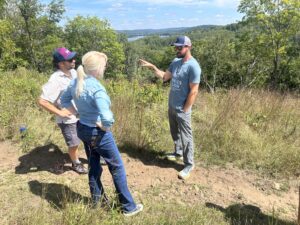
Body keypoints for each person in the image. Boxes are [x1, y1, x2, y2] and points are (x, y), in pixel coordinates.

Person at [60, 51, 143, 216]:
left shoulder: (77, 81)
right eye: (104, 65)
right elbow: (107, 117)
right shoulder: (98, 89)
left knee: (94, 165)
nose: (105, 68)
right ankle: (128, 207)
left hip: (82, 128)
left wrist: (77, 113)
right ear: (98, 69)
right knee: (117, 166)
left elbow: (64, 100)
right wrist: (105, 126)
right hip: (97, 132)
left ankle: (97, 202)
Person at [139, 36, 201, 180]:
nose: (177, 50)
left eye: (180, 47)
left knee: (186, 137)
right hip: (172, 106)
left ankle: (189, 164)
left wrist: (185, 109)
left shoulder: (193, 66)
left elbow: (194, 90)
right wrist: (153, 67)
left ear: (188, 47)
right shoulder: (175, 62)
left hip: (182, 109)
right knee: (175, 133)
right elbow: (165, 77)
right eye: (175, 47)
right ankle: (178, 153)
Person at [38, 47, 88, 174]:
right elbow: (42, 101)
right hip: (68, 119)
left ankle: (88, 157)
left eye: (73, 58)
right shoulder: (55, 79)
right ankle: (76, 163)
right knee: (74, 143)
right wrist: (60, 113)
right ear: (61, 63)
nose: (74, 61)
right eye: (70, 59)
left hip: (80, 114)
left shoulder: (74, 73)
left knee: (85, 137)